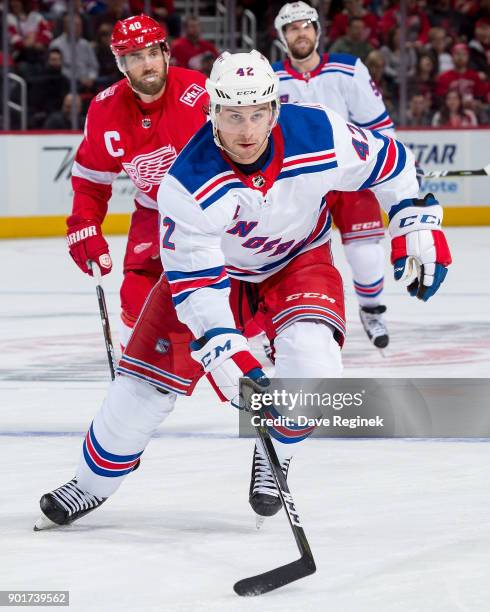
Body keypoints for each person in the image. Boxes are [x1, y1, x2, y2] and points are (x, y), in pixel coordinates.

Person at [35, 50, 451, 530]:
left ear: (275, 109)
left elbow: (391, 162)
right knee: (139, 394)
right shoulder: (186, 184)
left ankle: (274, 450)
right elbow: (197, 285)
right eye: (233, 115)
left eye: (258, 114)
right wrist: (223, 347)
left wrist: (415, 220)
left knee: (314, 365)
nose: (247, 131)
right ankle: (91, 484)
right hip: (219, 276)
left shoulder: (321, 132)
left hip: (298, 261)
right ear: (211, 110)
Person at [64, 14, 208, 347]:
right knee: (135, 291)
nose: (147, 64)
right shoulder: (105, 110)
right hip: (153, 210)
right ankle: (144, 359)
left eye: (152, 53)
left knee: (244, 279)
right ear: (121, 64)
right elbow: (90, 180)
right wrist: (84, 224)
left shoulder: (199, 93)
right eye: (135, 56)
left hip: (211, 209)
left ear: (166, 54)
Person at [273, 1, 396, 349]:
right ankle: (283, 321)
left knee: (366, 254)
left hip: (351, 177)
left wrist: (393, 167)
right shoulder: (270, 78)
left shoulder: (348, 69)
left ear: (317, 30)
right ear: (282, 37)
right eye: (292, 28)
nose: (300, 32)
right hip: (301, 184)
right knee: (288, 258)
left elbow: (379, 126)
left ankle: (372, 310)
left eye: (305, 25)